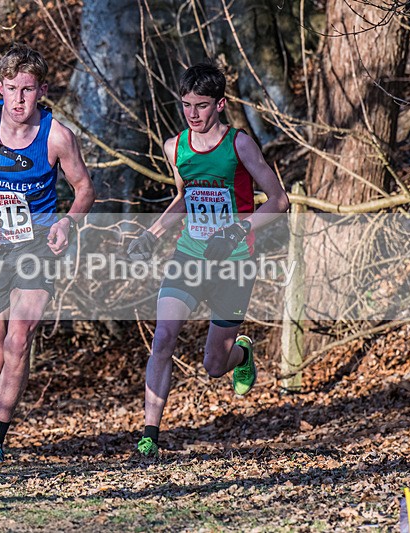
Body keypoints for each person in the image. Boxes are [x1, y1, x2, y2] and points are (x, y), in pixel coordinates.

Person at [0, 43, 95, 466]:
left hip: (36, 247)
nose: (20, 99)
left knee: (19, 339)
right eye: (12, 89)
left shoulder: (58, 136)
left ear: (42, 90)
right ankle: (0, 404)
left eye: (28, 90)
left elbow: (84, 188)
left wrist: (67, 222)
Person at [126, 63, 289, 459]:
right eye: (186, 105)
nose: (193, 114)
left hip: (234, 262)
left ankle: (242, 353)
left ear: (220, 104)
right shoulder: (174, 147)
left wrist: (238, 230)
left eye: (201, 106)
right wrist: (152, 235)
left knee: (214, 365)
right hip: (189, 255)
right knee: (163, 336)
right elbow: (184, 198)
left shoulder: (240, 145)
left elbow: (280, 201)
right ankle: (150, 435)